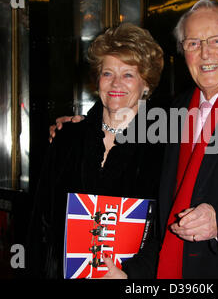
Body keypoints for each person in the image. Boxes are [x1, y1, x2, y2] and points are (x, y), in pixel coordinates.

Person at [51, 0, 218, 279]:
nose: (205, 53)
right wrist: (80, 127)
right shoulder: (173, 114)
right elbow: (123, 126)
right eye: (193, 43)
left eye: (217, 40)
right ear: (183, 52)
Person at [26, 22, 164, 279]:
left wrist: (131, 276)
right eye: (107, 73)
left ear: (145, 84)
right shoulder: (67, 137)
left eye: (128, 74)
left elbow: (166, 233)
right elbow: (41, 224)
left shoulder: (163, 148)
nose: (115, 84)